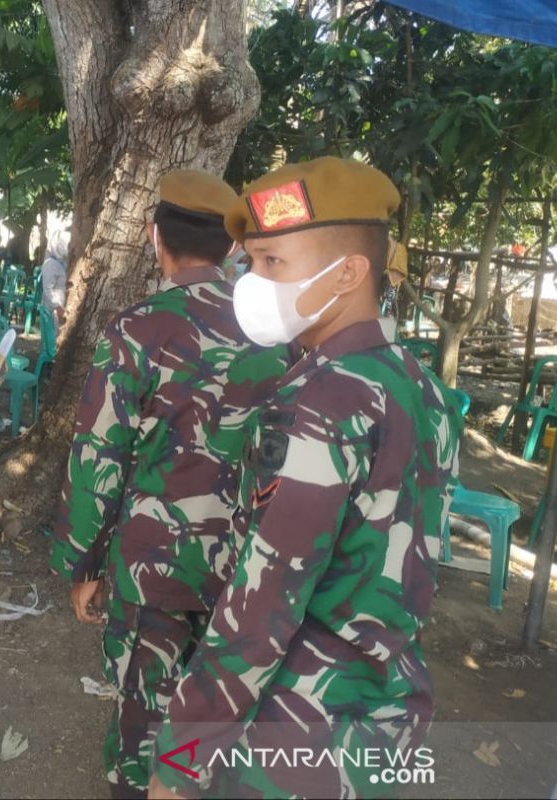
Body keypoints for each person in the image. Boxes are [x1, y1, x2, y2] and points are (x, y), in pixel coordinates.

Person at [148, 158, 461, 799]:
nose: (251, 282)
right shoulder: (421, 385)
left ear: (348, 273)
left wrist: (179, 759)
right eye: (251, 261)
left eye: (272, 264)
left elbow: (260, 607)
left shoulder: (321, 400)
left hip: (295, 733)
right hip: (386, 712)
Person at [50, 170, 289, 800]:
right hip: (242, 568)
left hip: (151, 566)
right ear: (233, 247)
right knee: (208, 702)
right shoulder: (278, 342)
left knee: (142, 712)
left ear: (156, 238)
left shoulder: (136, 330)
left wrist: (81, 563)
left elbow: (97, 458)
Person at [40, 230, 70, 327]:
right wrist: (58, 307)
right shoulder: (50, 264)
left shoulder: (61, 263)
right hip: (52, 313)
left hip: (57, 311)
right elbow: (47, 289)